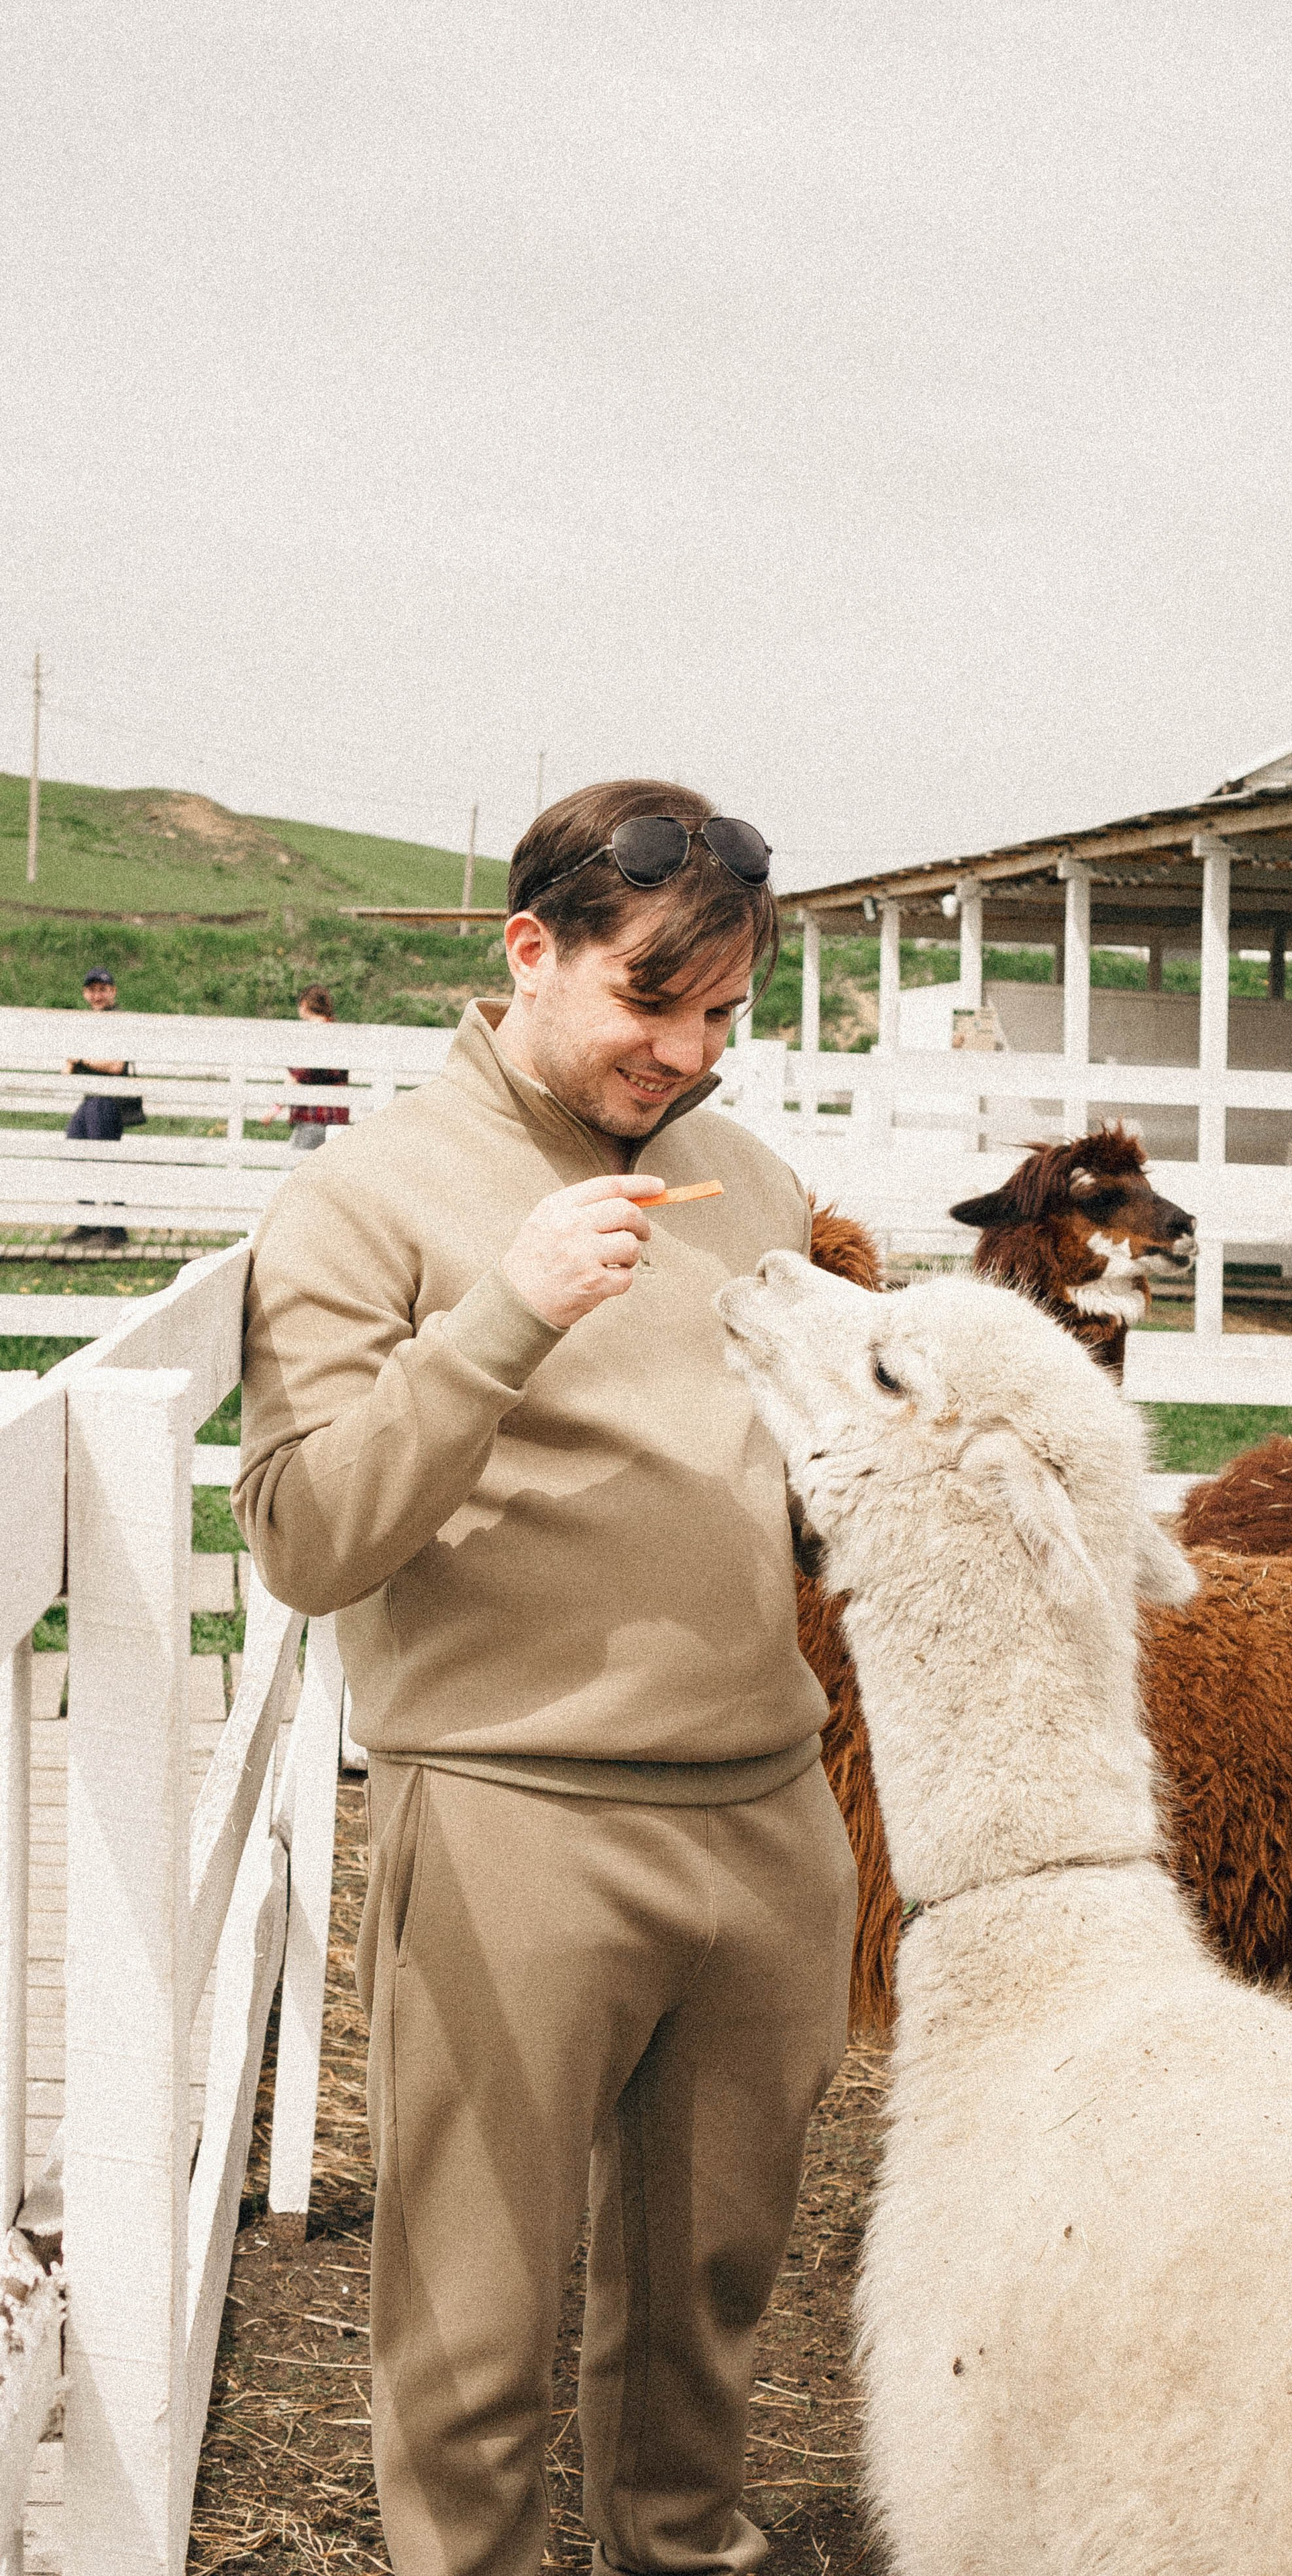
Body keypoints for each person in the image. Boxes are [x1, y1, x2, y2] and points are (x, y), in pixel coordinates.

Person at [235, 780, 855, 2576]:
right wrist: (501, 1318)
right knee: (474, 2340)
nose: (685, 1050)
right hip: (516, 1818)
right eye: (650, 1000)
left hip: (766, 1809)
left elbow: (796, 1480)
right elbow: (306, 1539)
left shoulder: (755, 1186)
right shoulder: (370, 1198)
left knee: (710, 2317)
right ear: (532, 948)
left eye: (725, 1012)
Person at [64, 965, 143, 1245]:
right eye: (92, 990)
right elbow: (67, 1066)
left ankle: (116, 1230)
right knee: (75, 1148)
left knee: (104, 1159)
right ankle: (88, 1222)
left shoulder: (118, 1020)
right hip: (90, 1098)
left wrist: (81, 1060)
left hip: (109, 1099)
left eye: (103, 989)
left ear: (113, 992)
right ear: (86, 994)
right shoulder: (86, 1023)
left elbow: (114, 1065)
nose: (97, 995)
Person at [261, 982, 351, 1150]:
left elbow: (298, 1076)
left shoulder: (314, 1037)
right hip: (337, 1119)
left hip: (315, 1118)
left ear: (303, 1005)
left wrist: (274, 1109)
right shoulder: (339, 1034)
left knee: (294, 1168)